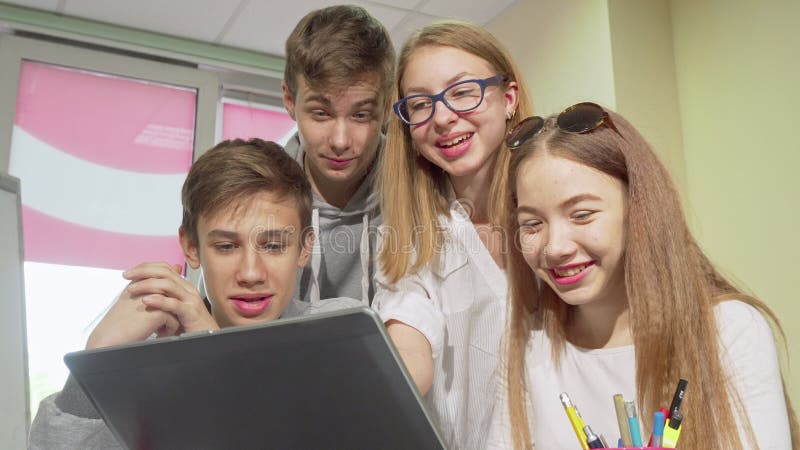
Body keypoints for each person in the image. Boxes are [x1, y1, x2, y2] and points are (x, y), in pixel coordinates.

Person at [488, 102, 799, 449]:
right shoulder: (527, 348)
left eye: (582, 215)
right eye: (531, 224)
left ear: (639, 209)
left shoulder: (729, 329)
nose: (554, 247)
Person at [29, 138, 359, 449]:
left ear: (304, 247)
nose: (251, 273)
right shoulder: (148, 366)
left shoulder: (341, 335)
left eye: (273, 246)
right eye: (227, 246)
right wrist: (96, 363)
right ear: (191, 247)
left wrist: (211, 352)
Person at [372, 21, 533, 450]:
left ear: (509, 99)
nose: (442, 118)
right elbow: (408, 344)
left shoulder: (560, 206)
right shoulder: (411, 236)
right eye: (420, 104)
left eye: (463, 92)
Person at [280, 4, 395, 305]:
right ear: (290, 101)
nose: (340, 141)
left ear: (386, 109)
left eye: (360, 115)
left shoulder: (420, 187)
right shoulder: (256, 195)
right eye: (321, 113)